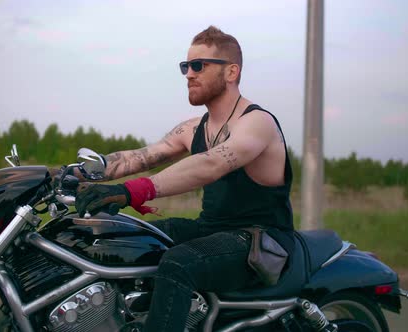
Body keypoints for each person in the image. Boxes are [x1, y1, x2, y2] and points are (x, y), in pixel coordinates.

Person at [74, 25, 294, 332]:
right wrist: (69, 174)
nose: (188, 74)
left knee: (178, 263)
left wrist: (132, 191)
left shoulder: (257, 123)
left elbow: (212, 164)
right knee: (124, 239)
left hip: (260, 240)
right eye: (185, 66)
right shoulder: (192, 128)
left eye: (198, 66)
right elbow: (140, 156)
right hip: (212, 230)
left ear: (231, 72)